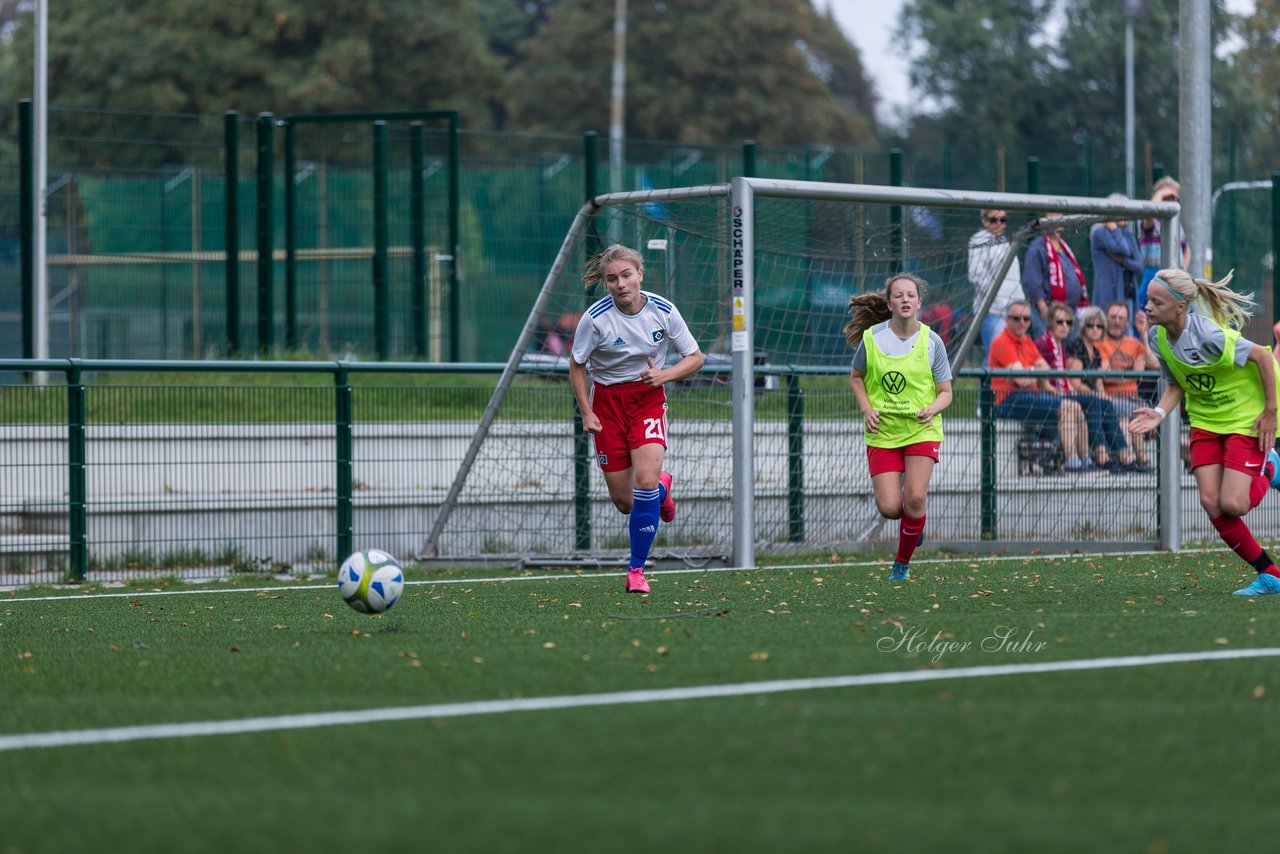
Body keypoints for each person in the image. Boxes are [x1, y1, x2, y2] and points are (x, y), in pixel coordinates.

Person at [1129, 269, 1280, 596]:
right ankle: (1270, 575)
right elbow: (1176, 384)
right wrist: (1157, 414)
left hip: (1243, 418)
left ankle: (1271, 466)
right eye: (1147, 300)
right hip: (1205, 422)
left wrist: (1271, 411)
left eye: (1157, 301)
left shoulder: (1209, 336)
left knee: (1235, 504)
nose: (1148, 307)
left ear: (1181, 306)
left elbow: (1263, 358)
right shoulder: (1156, 337)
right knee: (1212, 502)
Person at [569, 244, 705, 594]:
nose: (621, 284)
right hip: (608, 405)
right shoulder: (595, 319)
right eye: (612, 279)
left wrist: (665, 375)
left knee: (642, 480)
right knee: (625, 502)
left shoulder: (663, 310)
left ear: (640, 274)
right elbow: (577, 364)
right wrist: (587, 410)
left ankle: (636, 570)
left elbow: (695, 357)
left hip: (647, 399)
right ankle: (663, 487)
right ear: (605, 283)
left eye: (626, 275)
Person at [846, 273, 953, 582]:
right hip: (883, 431)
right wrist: (866, 408)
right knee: (891, 507)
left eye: (911, 295)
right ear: (889, 303)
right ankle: (913, 523)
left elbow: (946, 392)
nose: (905, 299)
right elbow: (856, 377)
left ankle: (901, 566)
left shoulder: (932, 341)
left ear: (919, 303)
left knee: (915, 498)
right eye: (899, 295)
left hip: (922, 429)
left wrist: (932, 408)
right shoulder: (873, 339)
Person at [988, 300, 1092, 471]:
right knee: (1067, 406)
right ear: (1007, 319)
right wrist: (1034, 371)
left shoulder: (1028, 341)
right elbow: (1022, 380)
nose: (1022, 322)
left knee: (1075, 406)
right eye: (1016, 318)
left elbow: (1045, 370)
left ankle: (1085, 460)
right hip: (1008, 400)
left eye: (1026, 319)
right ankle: (1072, 461)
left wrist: (1029, 371)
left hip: (1030, 396)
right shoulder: (1001, 341)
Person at [1035, 301, 1134, 470]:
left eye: (1099, 326)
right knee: (1095, 402)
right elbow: (1074, 382)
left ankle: (1123, 455)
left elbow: (1098, 381)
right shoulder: (1072, 346)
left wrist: (1100, 392)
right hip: (1057, 395)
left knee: (1106, 404)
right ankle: (1102, 455)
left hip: (1068, 394)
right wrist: (1094, 393)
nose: (1095, 329)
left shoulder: (1092, 351)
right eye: (1090, 325)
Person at [1094, 301, 1153, 471]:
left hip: (1133, 400)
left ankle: (1142, 462)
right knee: (1128, 419)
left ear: (1127, 322)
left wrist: (1144, 333)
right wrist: (1131, 372)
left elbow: (1153, 363)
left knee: (1135, 417)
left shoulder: (1134, 343)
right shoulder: (1099, 343)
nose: (1116, 321)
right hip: (1111, 400)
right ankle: (1135, 460)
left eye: (1121, 318)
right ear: (1106, 319)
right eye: (1113, 317)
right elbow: (1106, 375)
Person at [967, 209, 1025, 362]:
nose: (999, 223)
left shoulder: (1004, 240)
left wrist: (1020, 303)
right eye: (994, 220)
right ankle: (988, 387)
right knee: (996, 356)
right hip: (993, 310)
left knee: (1012, 357)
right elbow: (976, 275)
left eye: (1003, 219)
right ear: (984, 220)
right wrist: (997, 297)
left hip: (1014, 311)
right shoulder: (979, 240)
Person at [1135, 177, 1190, 326]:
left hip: (1175, 278)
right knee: (1151, 321)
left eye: (1174, 197)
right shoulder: (1148, 219)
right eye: (1166, 196)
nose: (1170, 199)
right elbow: (1149, 216)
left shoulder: (1176, 223)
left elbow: (1186, 250)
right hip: (1154, 276)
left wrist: (1183, 271)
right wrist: (1160, 195)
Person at [1023, 212, 1088, 334]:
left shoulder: (1064, 246)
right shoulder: (1038, 247)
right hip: (1049, 313)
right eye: (1053, 218)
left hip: (1070, 313)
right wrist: (1044, 311)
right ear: (1044, 221)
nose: (1058, 221)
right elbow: (1033, 282)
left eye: (1060, 218)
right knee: (1049, 350)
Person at [1090, 195, 1144, 333]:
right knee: (1106, 333)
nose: (1126, 214)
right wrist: (1114, 228)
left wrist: (1123, 262)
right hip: (1109, 295)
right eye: (1122, 210)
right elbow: (1123, 249)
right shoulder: (1100, 233)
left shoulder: (1129, 235)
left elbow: (1139, 265)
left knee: (1128, 336)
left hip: (1128, 296)